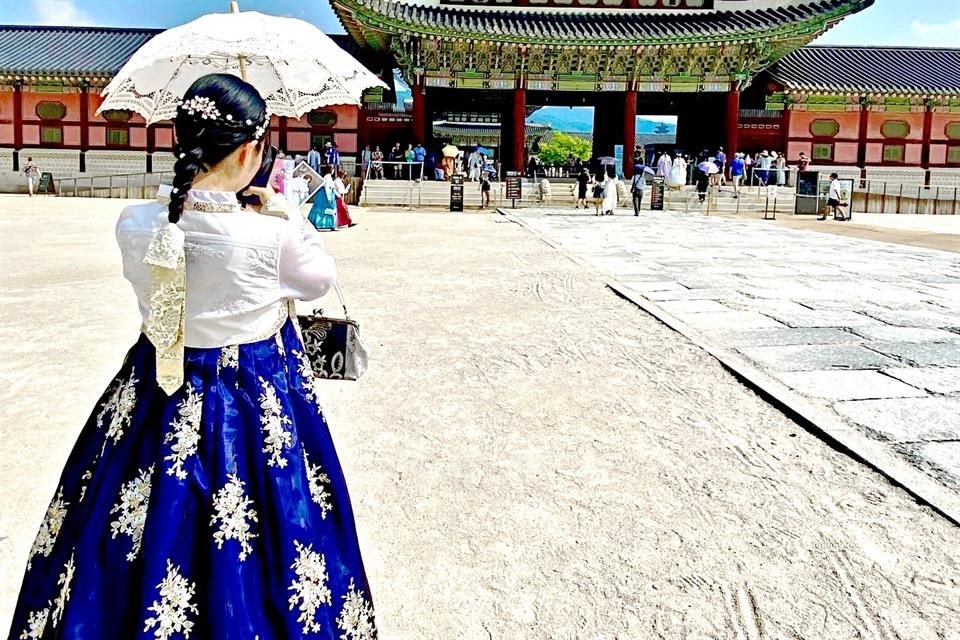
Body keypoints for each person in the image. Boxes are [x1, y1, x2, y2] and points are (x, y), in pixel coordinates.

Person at [7, 73, 376, 638]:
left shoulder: (134, 223)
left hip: (153, 389)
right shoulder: (268, 237)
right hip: (252, 397)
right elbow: (318, 281)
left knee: (126, 522)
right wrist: (284, 214)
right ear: (252, 149)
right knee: (276, 528)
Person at [308, 164, 339, 230]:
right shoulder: (327, 177)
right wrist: (329, 198)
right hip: (325, 195)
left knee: (329, 210)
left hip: (328, 194)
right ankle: (321, 224)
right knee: (326, 209)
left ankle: (331, 224)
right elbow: (327, 188)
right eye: (332, 168)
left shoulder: (329, 177)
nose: (333, 170)